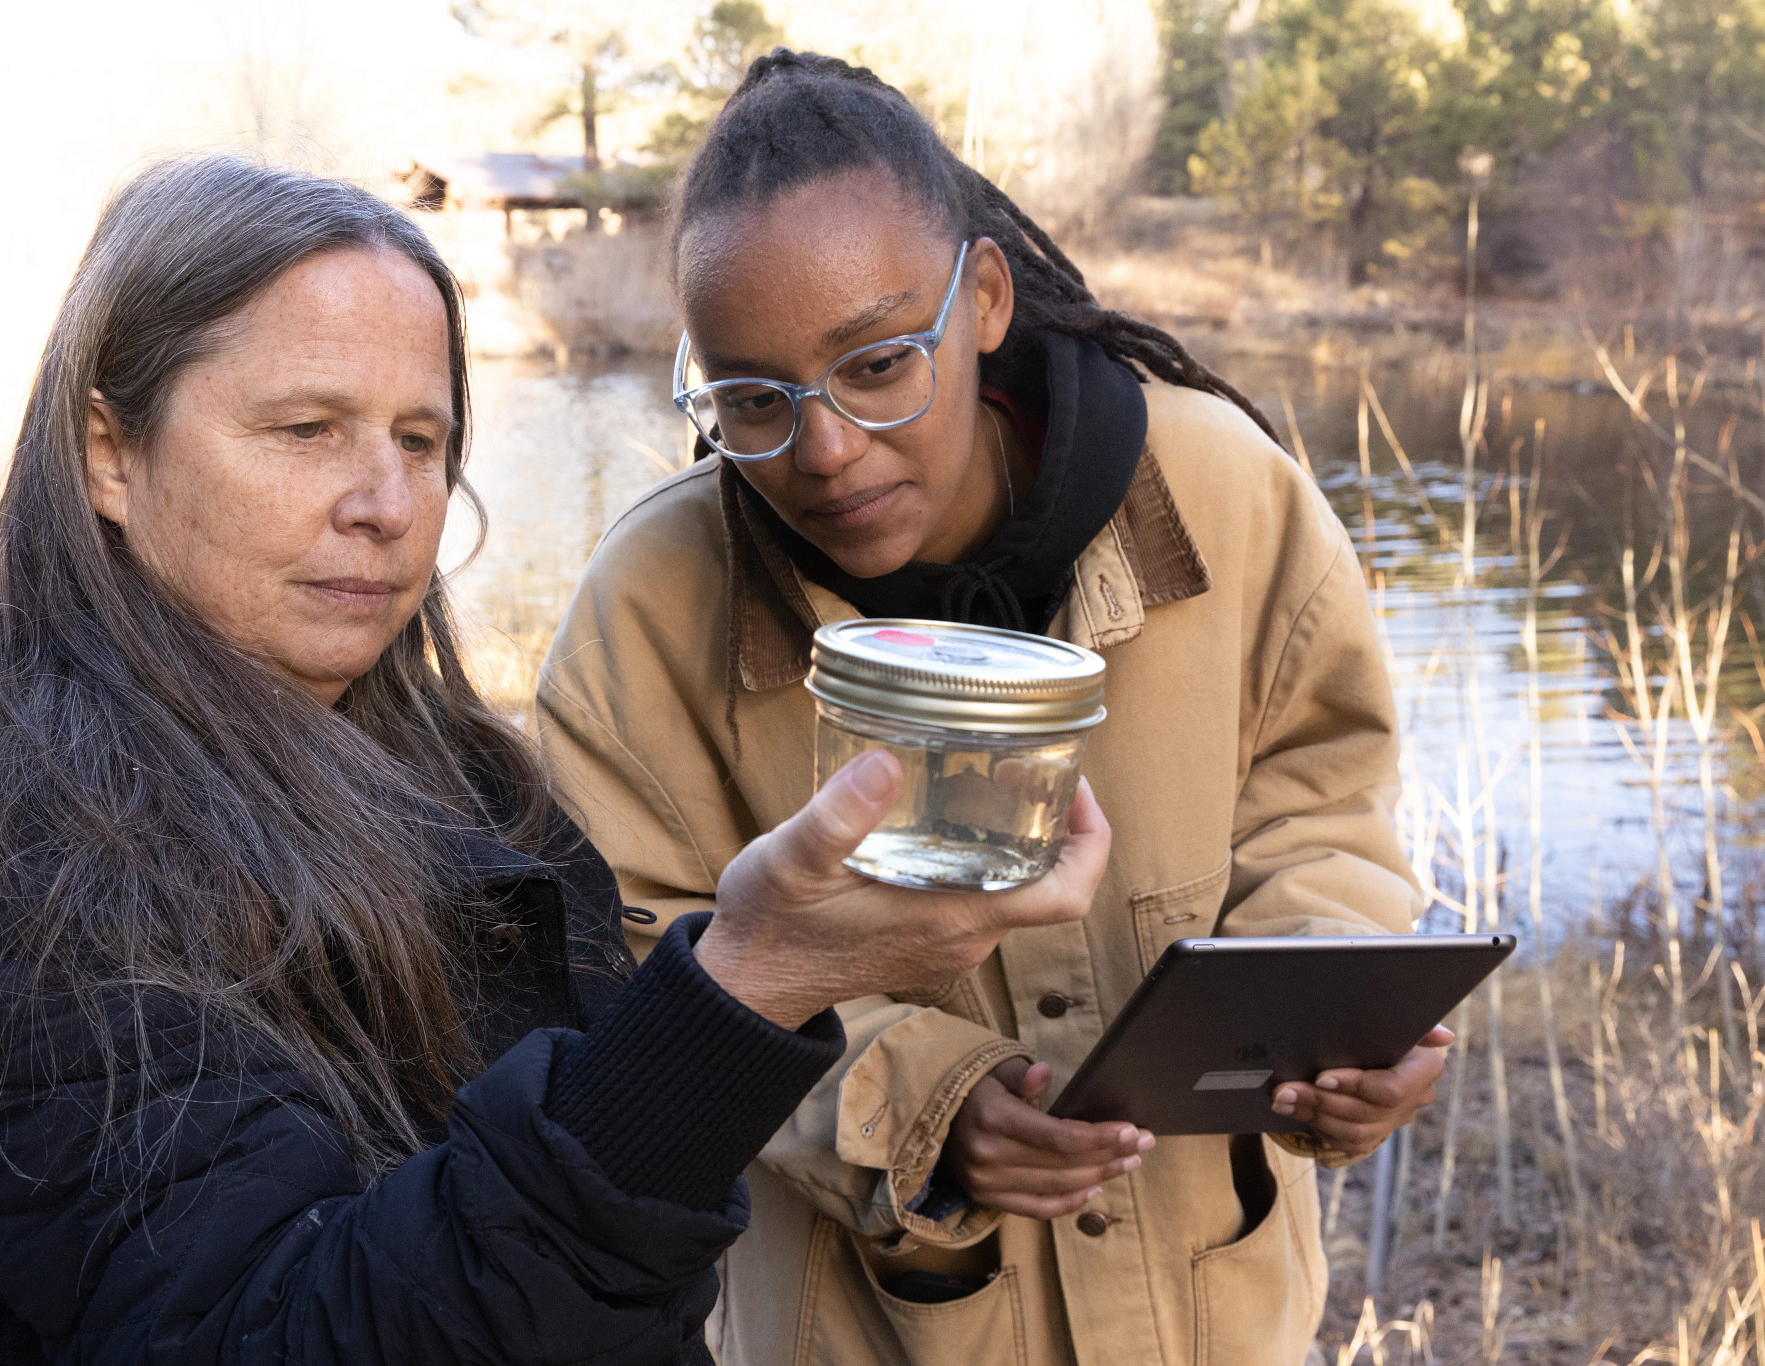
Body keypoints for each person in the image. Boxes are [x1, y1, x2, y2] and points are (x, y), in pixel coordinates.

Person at [0, 155, 1114, 1366]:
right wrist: (745, 985)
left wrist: (760, 991)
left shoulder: (479, 792)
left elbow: (619, 1275)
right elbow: (295, 1329)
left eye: (420, 441)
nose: (385, 503)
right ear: (108, 449)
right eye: (305, 428)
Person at [537, 51, 1449, 1366]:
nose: (826, 446)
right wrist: (918, 1106)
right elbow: (629, 970)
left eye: (875, 362)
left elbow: (1327, 810)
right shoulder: (644, 609)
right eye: (752, 399)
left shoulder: (1230, 493)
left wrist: (1335, 1022)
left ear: (984, 299)